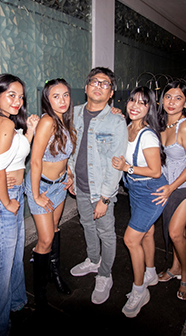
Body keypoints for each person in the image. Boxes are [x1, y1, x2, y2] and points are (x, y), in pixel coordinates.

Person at [0, 74, 39, 336]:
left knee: (12, 257)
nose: (17, 101)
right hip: (4, 197)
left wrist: (30, 131)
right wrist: (7, 201)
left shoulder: (2, 121)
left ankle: (15, 301)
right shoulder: (3, 123)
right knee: (1, 265)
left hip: (10, 194)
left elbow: (13, 156)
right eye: (11, 95)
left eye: (21, 96)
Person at [68, 67, 127, 305]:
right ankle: (93, 260)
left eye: (105, 84)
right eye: (94, 82)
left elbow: (116, 163)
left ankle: (105, 274)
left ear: (111, 93)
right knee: (87, 225)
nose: (99, 86)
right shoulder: (73, 113)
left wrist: (104, 198)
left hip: (101, 190)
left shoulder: (116, 121)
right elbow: (70, 147)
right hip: (80, 185)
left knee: (106, 233)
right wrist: (70, 174)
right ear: (86, 87)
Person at [111, 86, 167, 317]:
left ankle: (139, 291)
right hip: (135, 189)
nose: (135, 106)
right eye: (132, 100)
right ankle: (150, 273)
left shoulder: (148, 135)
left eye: (142, 103)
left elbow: (155, 171)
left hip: (151, 191)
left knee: (131, 239)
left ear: (149, 107)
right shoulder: (127, 127)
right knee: (147, 232)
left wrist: (128, 167)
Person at [151, 80, 186, 301]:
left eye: (178, 98)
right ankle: (174, 267)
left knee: (175, 232)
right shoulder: (161, 124)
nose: (172, 102)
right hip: (168, 182)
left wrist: (171, 187)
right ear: (161, 100)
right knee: (175, 231)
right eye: (168, 97)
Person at [25, 78, 76, 308]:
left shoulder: (64, 120)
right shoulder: (47, 121)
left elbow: (63, 154)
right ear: (47, 99)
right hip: (42, 186)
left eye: (65, 95)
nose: (62, 100)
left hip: (59, 185)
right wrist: (36, 195)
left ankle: (54, 275)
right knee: (45, 239)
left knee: (54, 229)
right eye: (56, 96)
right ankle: (40, 293)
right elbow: (35, 161)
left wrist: (68, 173)